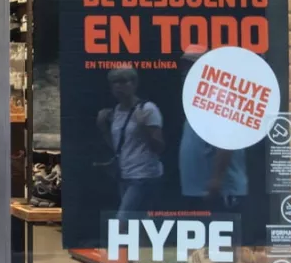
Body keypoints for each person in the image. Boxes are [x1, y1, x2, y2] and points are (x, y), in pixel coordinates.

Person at [178, 47, 246, 214]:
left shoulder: (219, 99)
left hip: (220, 190)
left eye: (192, 67)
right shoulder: (197, 101)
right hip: (200, 190)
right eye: (185, 67)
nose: (186, 72)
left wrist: (216, 179)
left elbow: (227, 143)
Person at [96, 66, 164, 216]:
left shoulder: (147, 109)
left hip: (144, 175)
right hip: (125, 174)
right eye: (114, 82)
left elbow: (159, 147)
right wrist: (103, 128)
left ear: (134, 83)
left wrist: (143, 127)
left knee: (123, 219)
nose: (118, 86)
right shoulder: (116, 111)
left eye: (123, 81)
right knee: (138, 221)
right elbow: (118, 147)